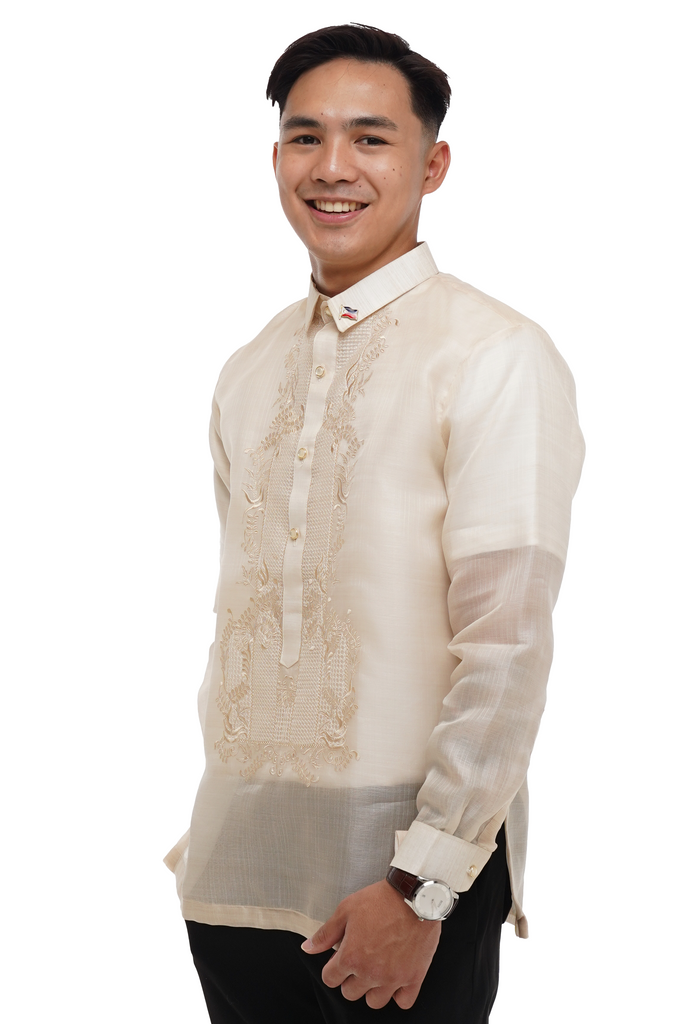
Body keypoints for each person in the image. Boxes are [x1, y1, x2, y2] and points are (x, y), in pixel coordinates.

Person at [164, 23, 585, 1023]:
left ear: (432, 165)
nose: (332, 167)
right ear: (276, 158)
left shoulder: (493, 355)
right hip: (233, 880)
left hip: (399, 896)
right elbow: (242, 620)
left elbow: (506, 647)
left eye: (370, 137)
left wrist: (421, 885)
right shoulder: (249, 368)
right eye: (305, 137)